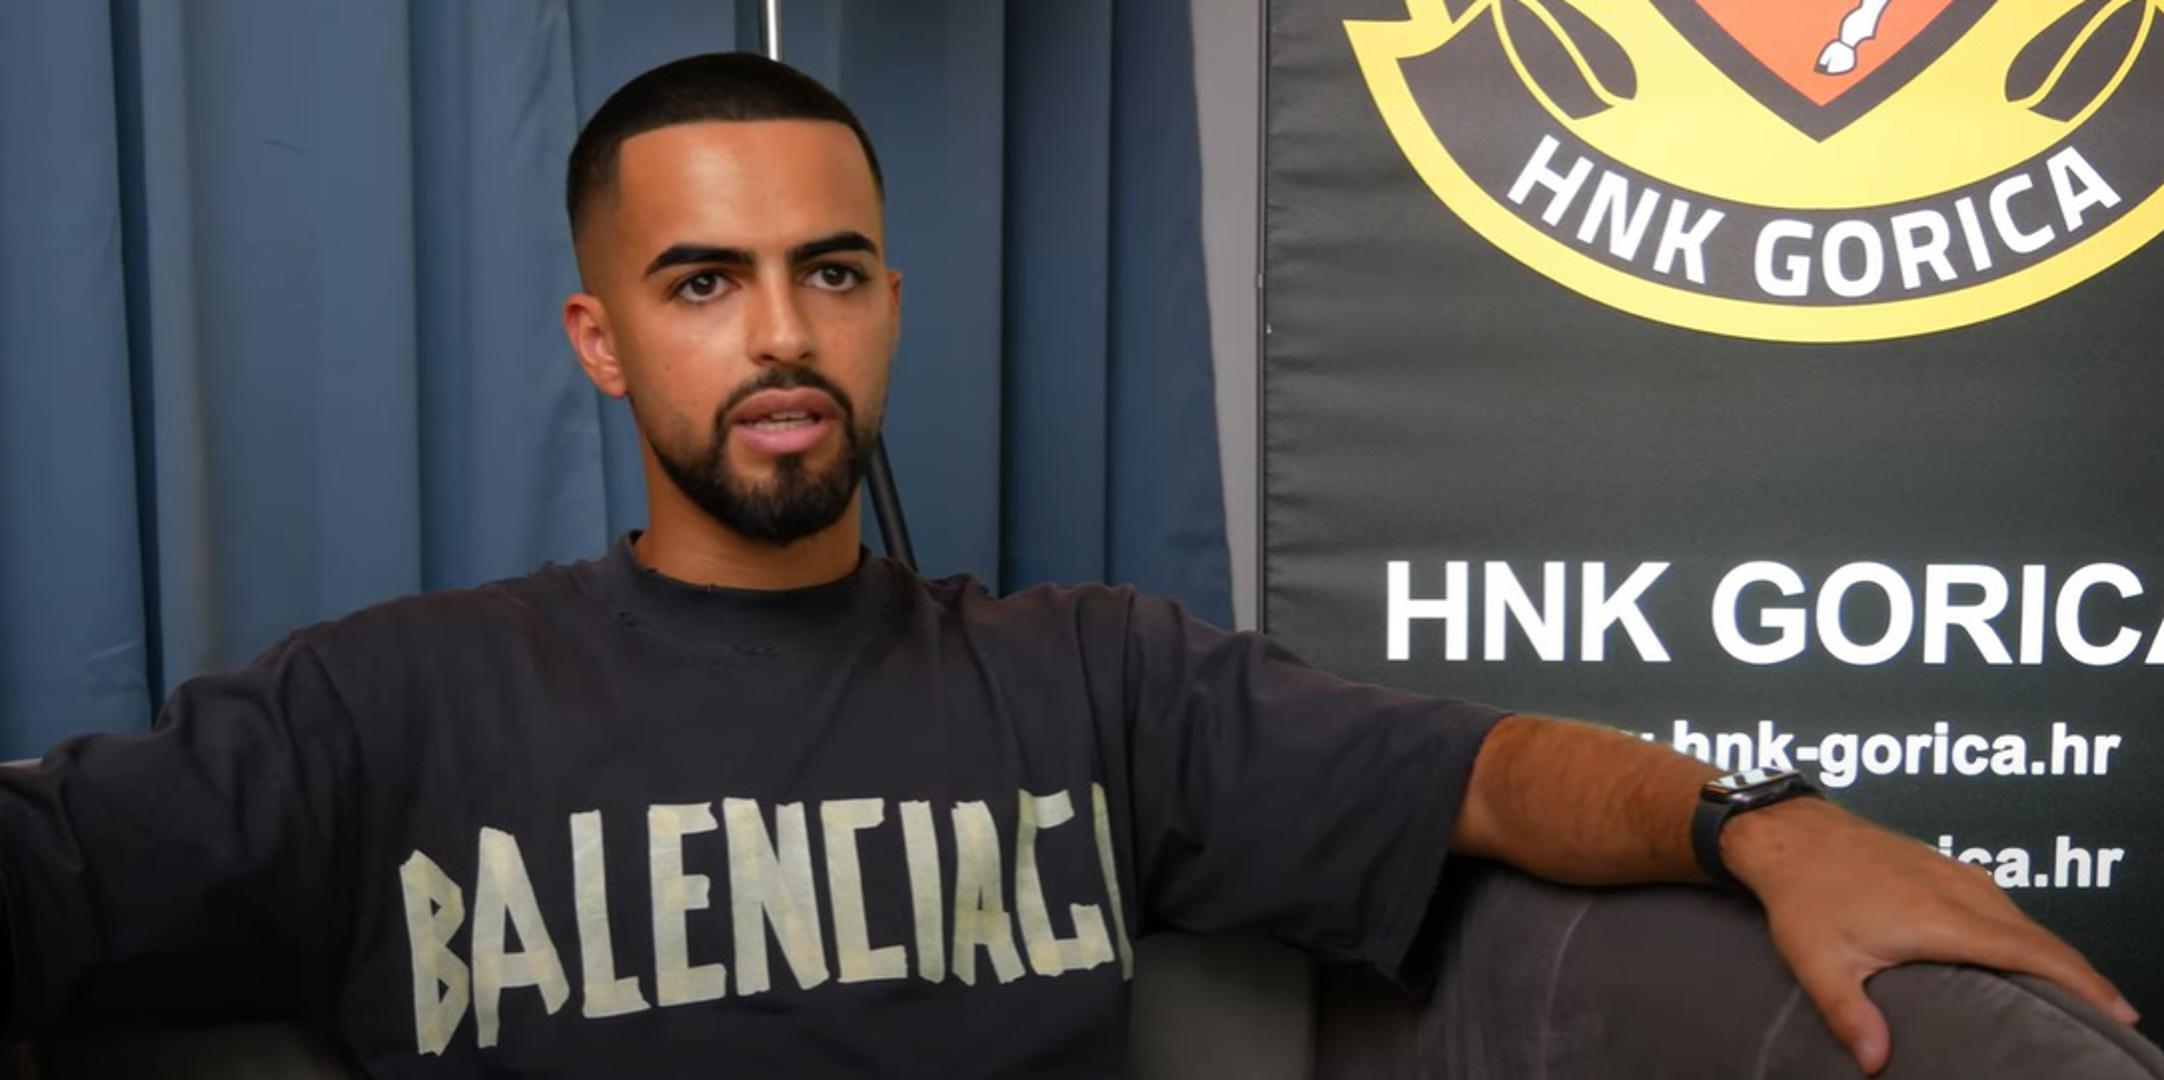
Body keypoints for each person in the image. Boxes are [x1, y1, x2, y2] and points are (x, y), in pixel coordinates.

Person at [0, 52, 2136, 1078]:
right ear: (600, 337)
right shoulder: (388, 707)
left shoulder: (1088, 676)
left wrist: (1758, 821)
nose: (779, 336)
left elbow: (1477, 774)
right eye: (703, 282)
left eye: (832, 271)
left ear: (888, 305)